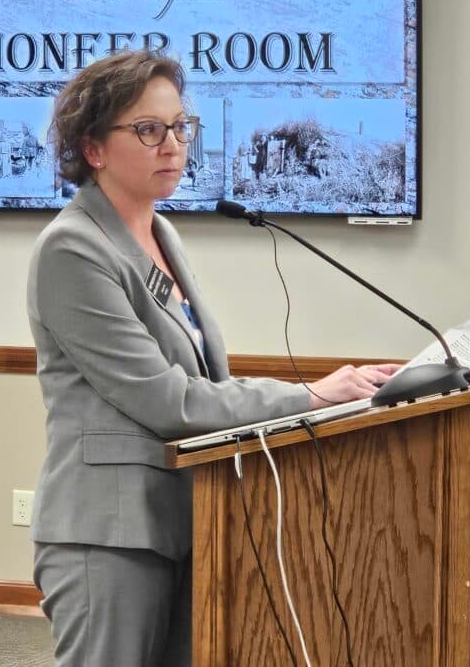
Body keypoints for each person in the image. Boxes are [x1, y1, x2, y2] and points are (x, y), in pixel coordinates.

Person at [27, 49, 400, 667]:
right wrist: (308, 397)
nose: (172, 144)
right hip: (108, 533)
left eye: (180, 126)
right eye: (148, 130)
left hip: (190, 515)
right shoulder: (71, 249)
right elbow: (167, 399)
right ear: (93, 148)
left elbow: (206, 377)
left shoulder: (160, 233)